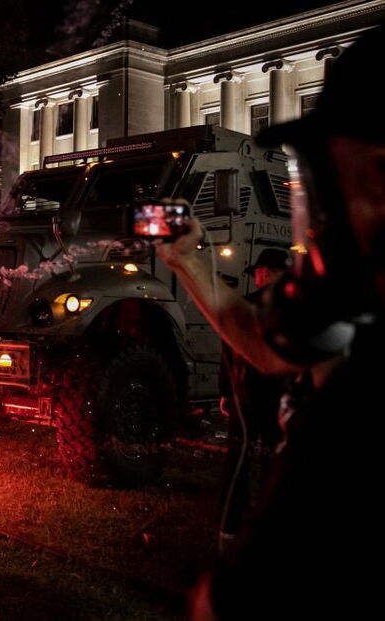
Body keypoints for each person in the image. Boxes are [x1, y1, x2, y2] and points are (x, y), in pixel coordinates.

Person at [155, 25, 385, 620]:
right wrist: (191, 264)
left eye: (326, 175)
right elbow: (268, 344)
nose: (313, 211)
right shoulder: (349, 300)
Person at [216, 249, 289, 552]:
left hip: (254, 394)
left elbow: (228, 349)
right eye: (257, 272)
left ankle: (236, 522)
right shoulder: (289, 310)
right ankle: (260, 516)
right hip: (265, 393)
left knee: (245, 457)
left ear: (272, 273)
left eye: (261, 271)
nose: (258, 276)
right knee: (268, 456)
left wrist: (226, 390)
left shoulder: (254, 307)